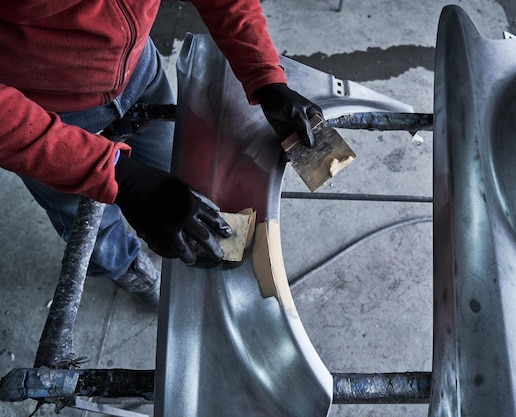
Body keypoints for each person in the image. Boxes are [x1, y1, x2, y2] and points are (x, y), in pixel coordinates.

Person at [0, 1, 323, 310]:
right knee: (84, 217)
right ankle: (124, 266)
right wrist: (121, 179)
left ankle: (179, 224)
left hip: (137, 69)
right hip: (37, 110)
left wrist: (264, 74)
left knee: (172, 169)